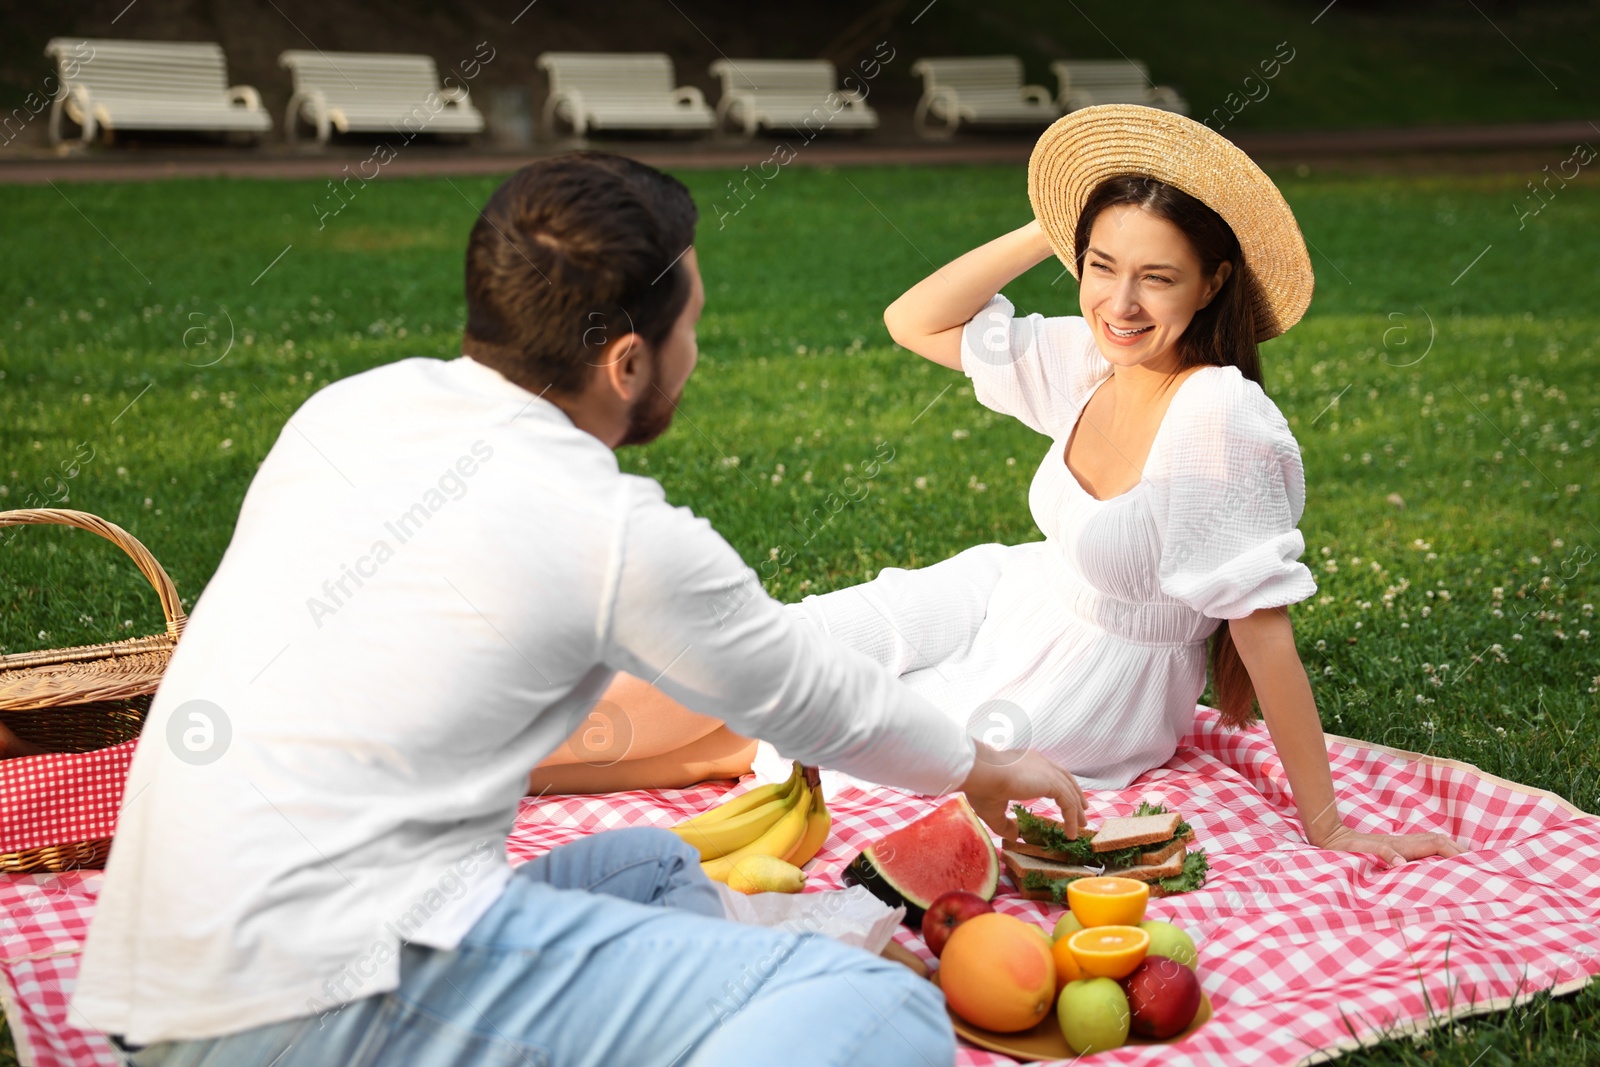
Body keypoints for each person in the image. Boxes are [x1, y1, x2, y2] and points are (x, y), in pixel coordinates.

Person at [71, 151, 1085, 1067]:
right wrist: (983, 762)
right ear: (627, 362)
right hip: (302, 1005)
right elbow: (816, 698)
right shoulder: (608, 530)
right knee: (880, 1013)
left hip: (164, 978)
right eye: (690, 328)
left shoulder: (350, 407)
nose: (696, 352)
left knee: (646, 863)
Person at [576, 106, 1466, 868]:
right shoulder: (1091, 357)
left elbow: (1263, 631)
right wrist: (1061, 220)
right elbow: (915, 319)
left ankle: (510, 756)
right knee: (790, 642)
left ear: (1214, 283)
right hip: (1007, 588)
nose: (1120, 303)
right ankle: (504, 751)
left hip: (1097, 680)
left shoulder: (1218, 421)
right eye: (1101, 265)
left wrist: (1329, 823)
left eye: (1157, 277)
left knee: (799, 726)